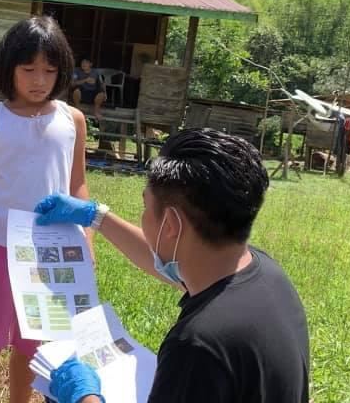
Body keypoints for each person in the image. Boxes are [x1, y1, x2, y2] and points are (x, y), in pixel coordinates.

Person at [35, 128, 310, 403]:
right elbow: (180, 264)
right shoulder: (264, 273)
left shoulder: (198, 345)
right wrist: (97, 217)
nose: (144, 217)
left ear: (170, 225)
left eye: (146, 207)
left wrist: (84, 397)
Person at [0, 16, 96, 403]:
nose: (39, 79)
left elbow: (77, 184)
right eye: (29, 69)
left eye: (50, 70)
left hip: (53, 251)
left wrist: (87, 236)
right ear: (9, 68)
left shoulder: (73, 121)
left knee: (33, 347)